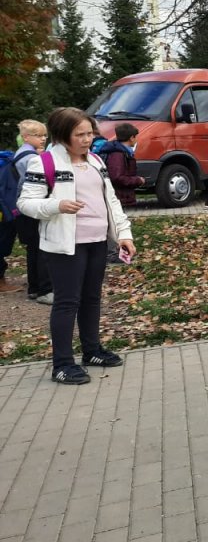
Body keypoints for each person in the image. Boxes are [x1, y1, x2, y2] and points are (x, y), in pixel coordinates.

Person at [17, 107, 136, 385]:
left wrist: (124, 234)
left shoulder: (95, 160)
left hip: (96, 242)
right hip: (64, 245)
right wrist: (56, 205)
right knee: (67, 302)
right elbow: (25, 203)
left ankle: (92, 351)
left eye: (89, 133)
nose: (86, 139)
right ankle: (62, 364)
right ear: (61, 135)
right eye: (79, 134)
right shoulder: (44, 162)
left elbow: (112, 202)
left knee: (92, 298)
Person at [11, 121, 53, 303]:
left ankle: (34, 287)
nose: (43, 139)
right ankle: (43, 288)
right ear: (26, 137)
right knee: (41, 247)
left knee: (33, 248)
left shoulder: (22, 153)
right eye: (38, 135)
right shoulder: (30, 158)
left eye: (44, 135)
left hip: (21, 209)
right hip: (30, 208)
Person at [98, 123, 146, 207]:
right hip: (119, 197)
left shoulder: (124, 152)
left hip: (122, 197)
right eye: (135, 137)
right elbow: (117, 177)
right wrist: (138, 180)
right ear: (131, 138)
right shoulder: (117, 154)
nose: (136, 140)